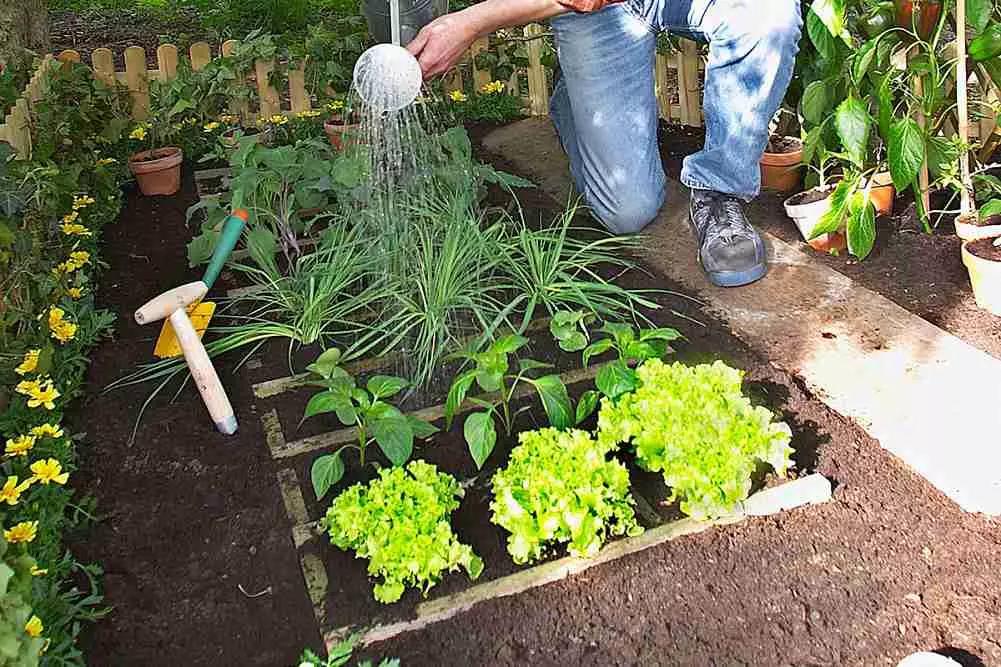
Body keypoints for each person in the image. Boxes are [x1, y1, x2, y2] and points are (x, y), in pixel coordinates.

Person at [407, 0, 802, 287]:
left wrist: (471, 22)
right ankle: (574, 105)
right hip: (592, 13)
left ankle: (719, 193)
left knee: (770, 17)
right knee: (627, 212)